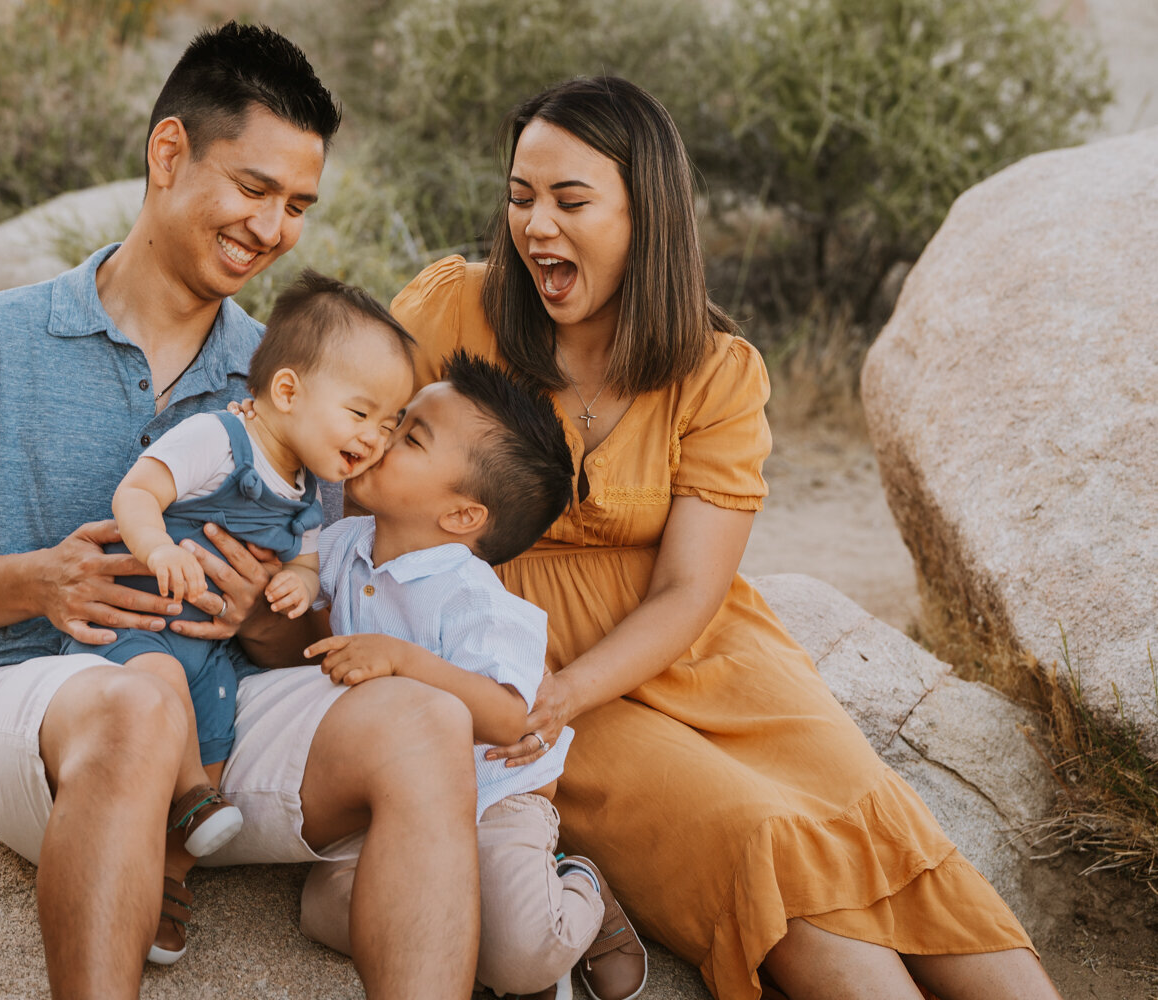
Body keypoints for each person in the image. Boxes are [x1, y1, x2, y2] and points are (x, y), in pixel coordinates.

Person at [390, 76, 1064, 1000]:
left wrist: (573, 686)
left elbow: (689, 590)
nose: (535, 225)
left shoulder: (715, 370)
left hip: (697, 651)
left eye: (570, 200)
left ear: (646, 213)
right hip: (527, 672)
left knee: (875, 821)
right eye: (520, 197)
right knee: (754, 833)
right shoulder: (450, 311)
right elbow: (345, 447)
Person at [0, 22, 479, 1000]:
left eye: (297, 205)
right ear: (168, 154)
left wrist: (266, 621)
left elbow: (314, 614)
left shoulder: (296, 378)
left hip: (226, 725)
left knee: (428, 722)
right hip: (37, 712)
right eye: (253, 187)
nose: (273, 228)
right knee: (136, 703)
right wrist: (41, 578)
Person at [268, 351, 648, 1000]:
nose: (381, 437)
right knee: (324, 908)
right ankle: (458, 936)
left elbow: (510, 719)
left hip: (496, 797)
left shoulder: (477, 600)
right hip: (403, 799)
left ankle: (580, 886)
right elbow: (295, 603)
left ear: (463, 516)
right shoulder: (344, 546)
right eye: (395, 420)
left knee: (528, 956)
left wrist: (403, 659)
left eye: (410, 437)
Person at [58, 272, 416, 952]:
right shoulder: (217, 438)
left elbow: (305, 559)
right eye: (361, 413)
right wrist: (159, 547)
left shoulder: (310, 488)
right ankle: (192, 795)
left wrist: (298, 582)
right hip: (141, 630)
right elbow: (137, 493)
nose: (376, 438)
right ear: (287, 391)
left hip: (216, 654)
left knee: (218, 728)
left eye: (392, 423)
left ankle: (174, 866)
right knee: (155, 689)